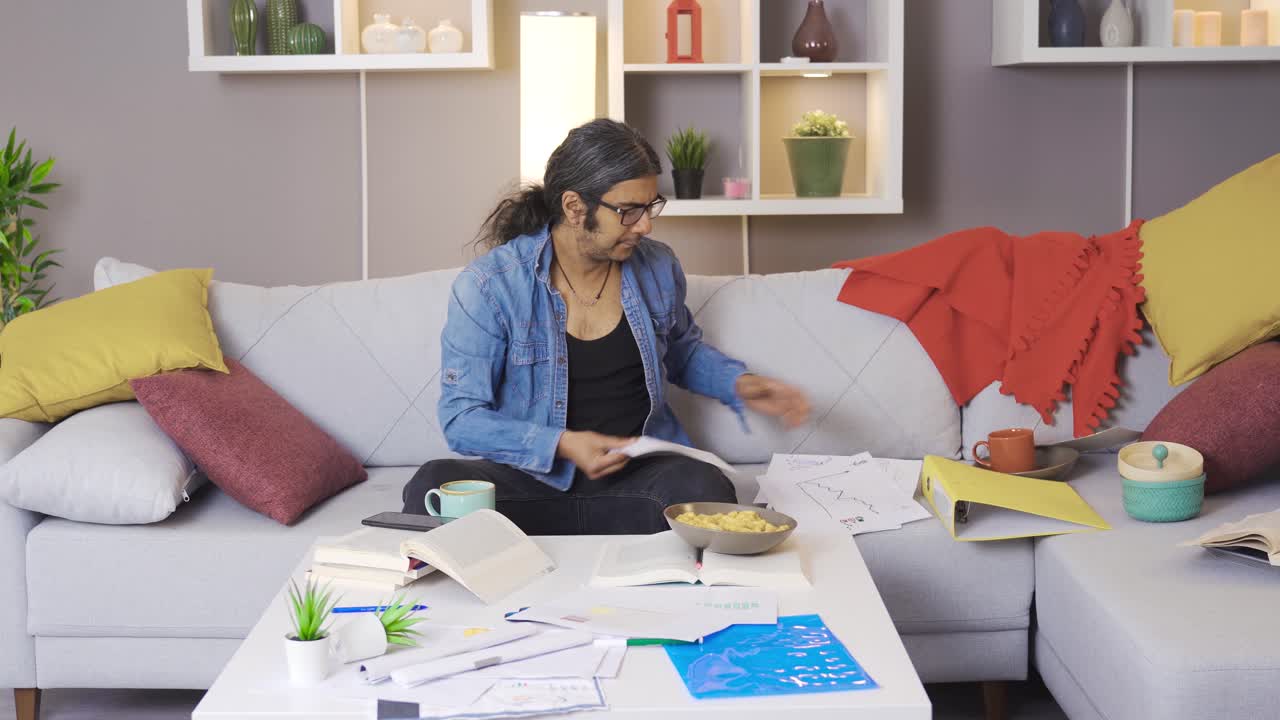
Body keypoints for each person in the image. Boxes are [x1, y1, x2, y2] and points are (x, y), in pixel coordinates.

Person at [402, 119, 810, 535]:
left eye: (650, 207)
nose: (645, 225)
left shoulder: (658, 266)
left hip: (635, 483)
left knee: (704, 486)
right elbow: (462, 418)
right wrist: (561, 444)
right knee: (431, 484)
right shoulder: (490, 285)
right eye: (628, 211)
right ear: (574, 207)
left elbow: (682, 352)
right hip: (531, 482)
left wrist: (738, 383)